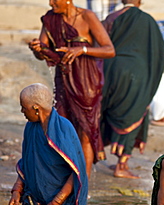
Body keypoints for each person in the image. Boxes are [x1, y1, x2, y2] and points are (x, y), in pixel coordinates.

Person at [28, 0, 115, 179]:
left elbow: (109, 50)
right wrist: (37, 49)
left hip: (87, 81)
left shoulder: (87, 16)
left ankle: (84, 181)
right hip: (63, 79)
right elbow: (43, 51)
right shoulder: (50, 18)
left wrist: (81, 49)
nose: (51, 3)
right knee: (62, 126)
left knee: (86, 129)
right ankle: (66, 176)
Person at [101, 0, 164, 178]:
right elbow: (159, 53)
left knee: (104, 111)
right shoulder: (149, 21)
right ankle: (121, 166)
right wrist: (150, 79)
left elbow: (100, 43)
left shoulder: (112, 17)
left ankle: (93, 156)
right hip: (137, 74)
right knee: (134, 112)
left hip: (109, 71)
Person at [6, 83, 88, 205]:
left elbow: (76, 171)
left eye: (24, 107)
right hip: (33, 202)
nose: (22, 111)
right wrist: (16, 191)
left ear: (36, 108)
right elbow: (27, 162)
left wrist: (55, 204)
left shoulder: (64, 128)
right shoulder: (30, 128)